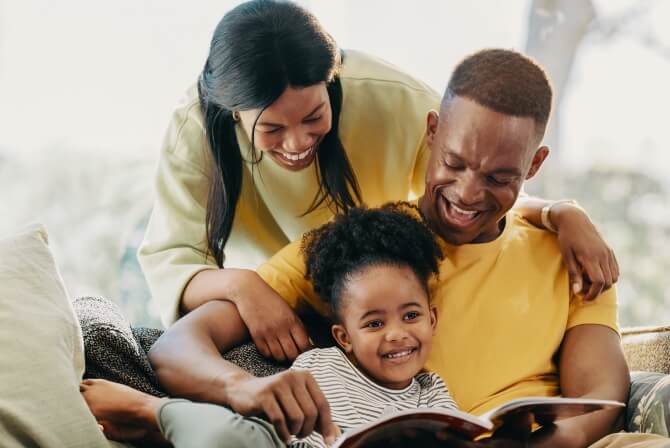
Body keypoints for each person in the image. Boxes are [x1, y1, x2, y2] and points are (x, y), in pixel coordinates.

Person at [139, 48, 670, 448]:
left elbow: (600, 390)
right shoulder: (363, 249)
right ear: (433, 133)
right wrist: (238, 387)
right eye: (455, 164)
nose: (467, 193)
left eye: (498, 178)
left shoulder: (565, 249)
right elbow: (176, 347)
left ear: (533, 167)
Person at [139, 0, 618, 364]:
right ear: (233, 113)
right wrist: (246, 288)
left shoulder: (395, 100)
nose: (297, 143)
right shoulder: (196, 128)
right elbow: (173, 259)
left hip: (376, 307)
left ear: (332, 80)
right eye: (271, 129)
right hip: (278, 301)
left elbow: (471, 192)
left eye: (313, 117)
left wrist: (561, 213)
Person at [0, 205, 458, 448]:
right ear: (345, 337)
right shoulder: (322, 364)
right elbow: (284, 435)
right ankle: (150, 412)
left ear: (433, 321)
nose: (396, 334)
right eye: (374, 324)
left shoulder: (433, 392)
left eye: (411, 316)